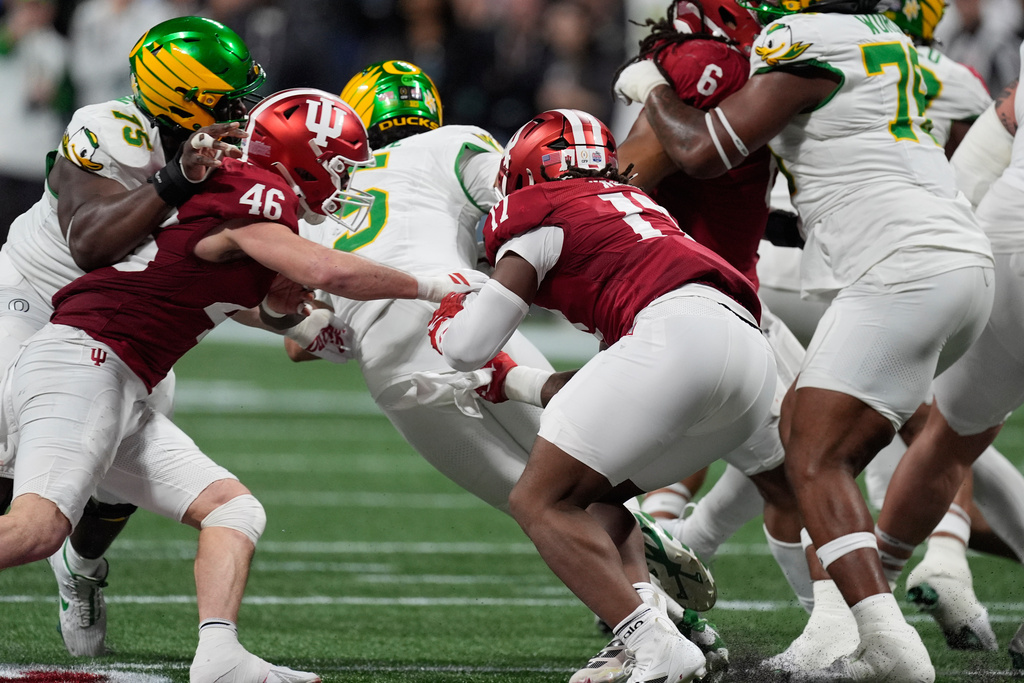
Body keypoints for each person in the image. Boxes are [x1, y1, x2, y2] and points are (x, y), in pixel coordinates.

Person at [0, 87, 480, 683]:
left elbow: (249, 302)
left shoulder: (242, 195)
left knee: (234, 511)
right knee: (36, 529)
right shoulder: (253, 191)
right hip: (85, 360)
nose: (345, 179)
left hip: (119, 376)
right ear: (303, 156)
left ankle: (220, 658)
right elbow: (325, 269)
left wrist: (282, 310)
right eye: (340, 163)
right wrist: (437, 287)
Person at [289, 60, 726, 680]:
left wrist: (313, 318)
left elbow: (313, 341)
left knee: (537, 506)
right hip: (474, 312)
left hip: (396, 357)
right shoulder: (449, 143)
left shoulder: (314, 207)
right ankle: (667, 624)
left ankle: (650, 638)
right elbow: (529, 198)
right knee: (574, 483)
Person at [614, 0, 995, 679]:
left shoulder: (801, 38)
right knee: (806, 433)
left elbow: (704, 150)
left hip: (900, 265)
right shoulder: (885, 35)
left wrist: (653, 84)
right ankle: (834, 625)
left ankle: (889, 646)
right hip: (958, 261)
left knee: (815, 458)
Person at [429, 107, 778, 683]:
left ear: (527, 171)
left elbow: (469, 345)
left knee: (538, 500)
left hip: (677, 337)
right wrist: (516, 381)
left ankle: (652, 643)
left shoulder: (536, 209)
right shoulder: (640, 210)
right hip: (748, 359)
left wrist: (445, 323)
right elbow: (607, 381)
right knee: (595, 497)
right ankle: (644, 642)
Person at [0, 15, 266, 658]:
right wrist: (177, 178)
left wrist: (294, 313)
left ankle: (82, 569)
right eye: (228, 99)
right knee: (19, 474)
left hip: (121, 324)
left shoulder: (218, 151)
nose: (242, 112)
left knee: (112, 476)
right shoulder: (109, 128)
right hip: (32, 304)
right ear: (187, 99)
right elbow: (89, 243)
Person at [875, 46, 1024, 672]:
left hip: (997, 231)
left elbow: (1006, 115)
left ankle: (865, 603)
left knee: (950, 436)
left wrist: (956, 218)